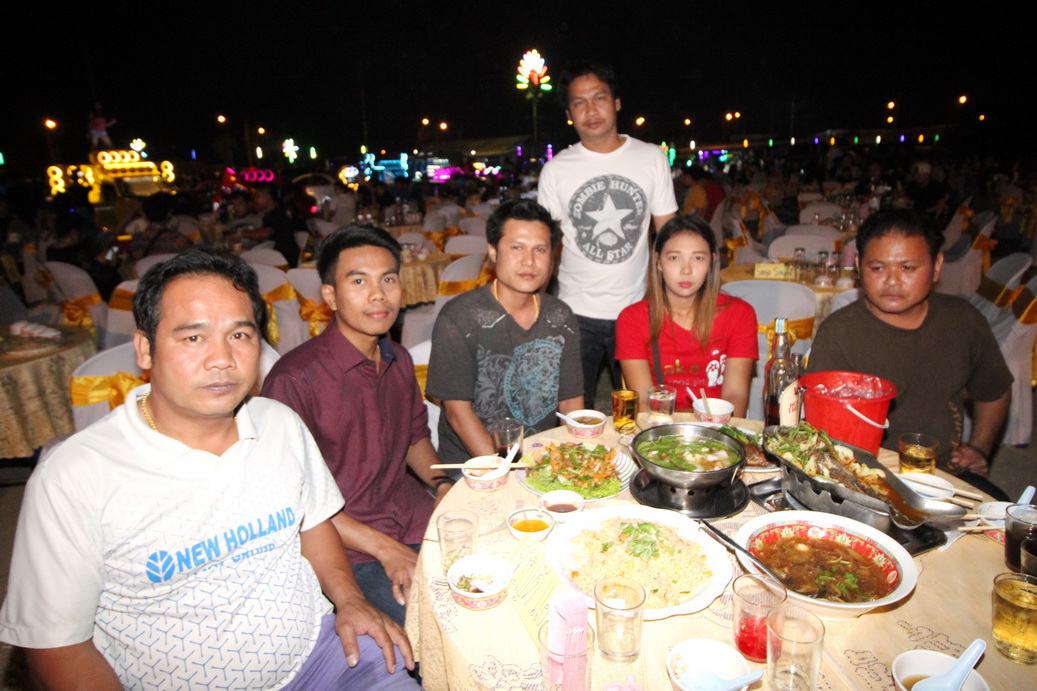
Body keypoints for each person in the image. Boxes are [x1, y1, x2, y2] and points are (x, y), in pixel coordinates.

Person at [0, 250, 417, 690]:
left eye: (239, 334)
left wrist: (350, 601)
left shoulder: (278, 423)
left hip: (323, 658)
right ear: (145, 348)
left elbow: (313, 523)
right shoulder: (76, 474)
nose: (222, 358)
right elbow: (58, 646)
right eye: (194, 338)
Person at [262, 226, 448, 626]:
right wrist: (386, 549)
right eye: (359, 281)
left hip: (411, 516)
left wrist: (442, 485)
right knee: (434, 624)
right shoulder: (294, 380)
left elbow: (414, 435)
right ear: (330, 296)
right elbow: (296, 502)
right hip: (350, 549)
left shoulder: (397, 358)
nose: (378, 295)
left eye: (388, 280)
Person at [807, 209, 1012, 497]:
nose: (892, 281)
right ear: (859, 267)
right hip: (864, 478)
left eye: (907, 268)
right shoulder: (839, 333)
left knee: (1008, 515)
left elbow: (994, 390)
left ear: (936, 267)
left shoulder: (962, 320)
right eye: (877, 268)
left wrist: (979, 447)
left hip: (944, 474)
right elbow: (823, 434)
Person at [537, 61, 678, 406]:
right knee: (571, 412)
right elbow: (544, 245)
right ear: (569, 114)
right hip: (573, 311)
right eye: (579, 102)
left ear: (616, 102)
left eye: (599, 98)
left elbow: (669, 234)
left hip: (636, 309)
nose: (590, 110)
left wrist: (672, 300)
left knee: (643, 410)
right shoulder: (556, 170)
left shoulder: (651, 158)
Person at [426, 199, 584, 462]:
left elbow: (571, 402)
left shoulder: (560, 316)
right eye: (517, 247)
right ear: (493, 252)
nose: (529, 261)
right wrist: (505, 471)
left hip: (542, 459)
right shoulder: (459, 318)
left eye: (540, 250)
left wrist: (572, 459)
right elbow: (458, 413)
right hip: (476, 465)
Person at [616, 216, 757, 415]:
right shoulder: (632, 319)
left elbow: (736, 395)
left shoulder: (740, 314)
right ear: (658, 261)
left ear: (712, 262)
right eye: (674, 258)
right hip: (661, 424)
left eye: (698, 258)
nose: (686, 270)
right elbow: (645, 403)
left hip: (716, 424)